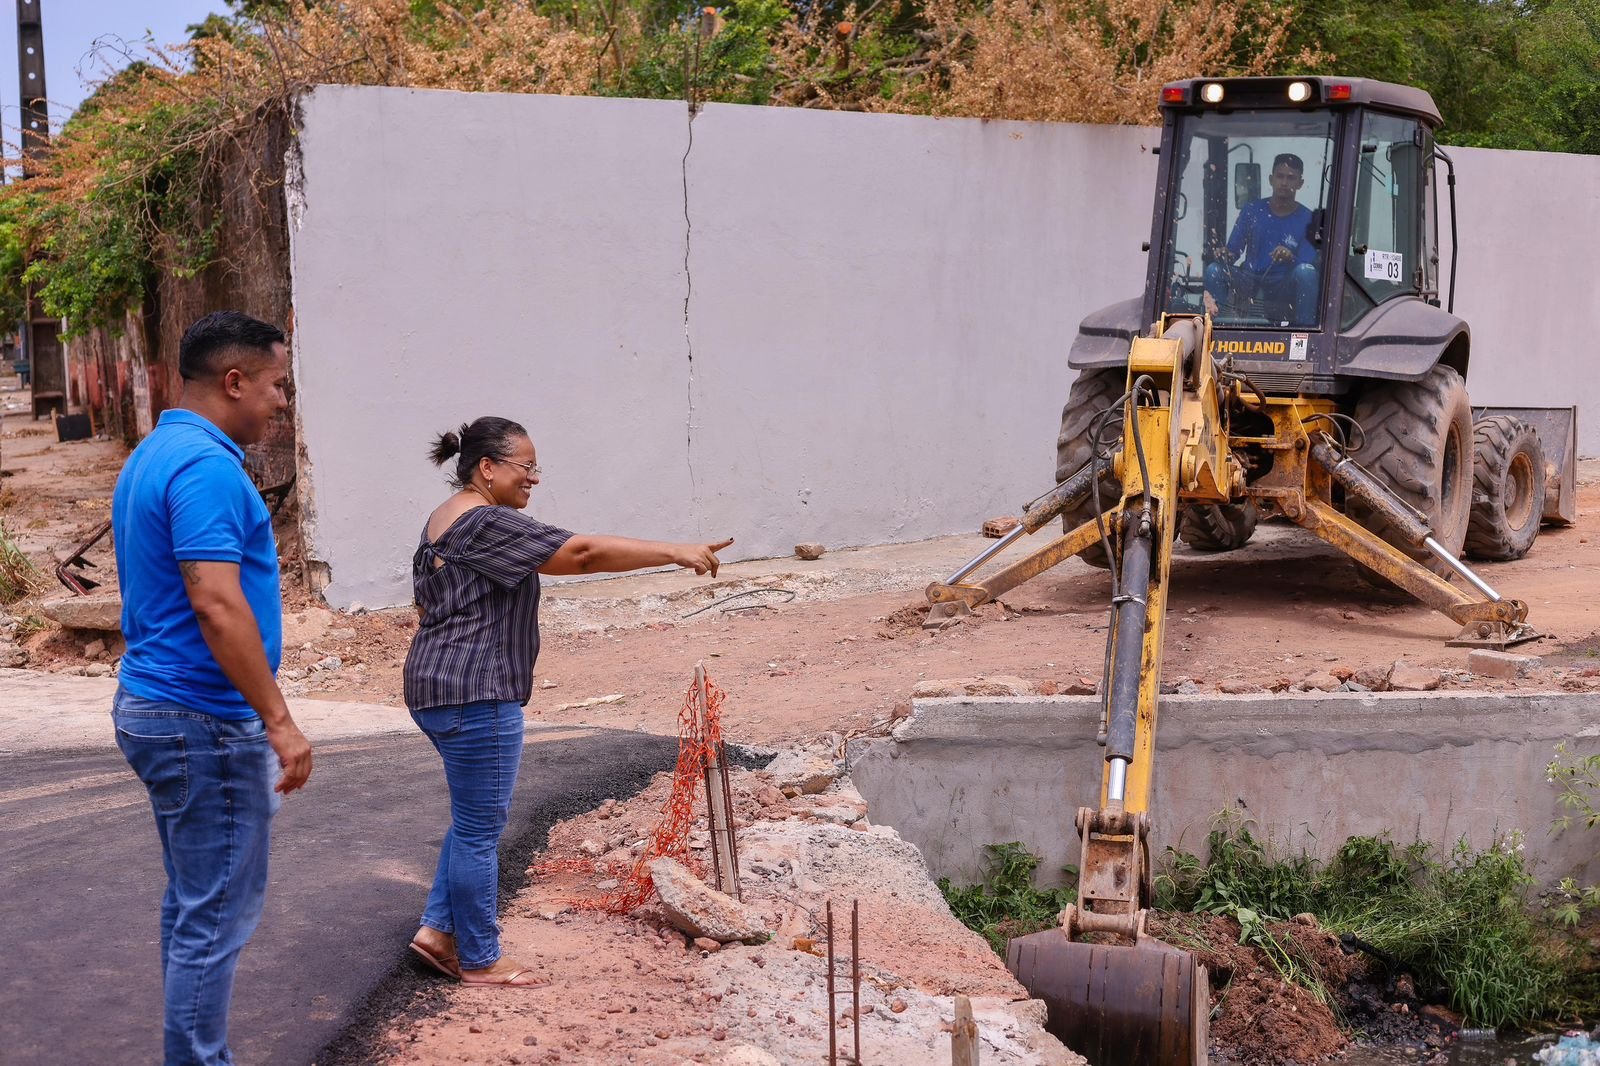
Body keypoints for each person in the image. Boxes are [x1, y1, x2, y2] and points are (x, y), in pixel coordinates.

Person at [404, 416, 731, 987]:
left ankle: (437, 933)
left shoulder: (445, 519)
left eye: (536, 468)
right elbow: (578, 555)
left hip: (440, 685)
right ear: (487, 468)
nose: (534, 478)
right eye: (525, 467)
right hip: (476, 690)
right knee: (481, 829)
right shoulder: (485, 522)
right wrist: (673, 551)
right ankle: (480, 958)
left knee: (473, 820)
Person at [111, 311, 313, 1064]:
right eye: (277, 385)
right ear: (234, 382)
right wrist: (279, 719)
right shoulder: (204, 467)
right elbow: (215, 600)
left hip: (163, 707)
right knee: (217, 913)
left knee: (196, 902)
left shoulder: (157, 452)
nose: (283, 401)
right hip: (201, 716)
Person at [1204, 152, 1320, 326]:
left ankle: (1303, 335)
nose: (1284, 182)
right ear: (1271, 179)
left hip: (1283, 286)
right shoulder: (1251, 211)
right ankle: (1216, 330)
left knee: (1306, 272)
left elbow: (1306, 264)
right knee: (1214, 270)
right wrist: (1225, 254)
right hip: (1249, 281)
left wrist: (1289, 256)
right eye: (1280, 176)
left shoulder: (1308, 219)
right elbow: (1233, 252)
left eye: (1291, 178)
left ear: (1300, 183)